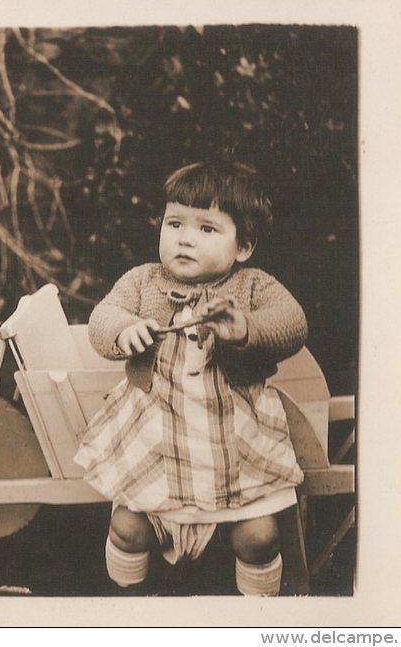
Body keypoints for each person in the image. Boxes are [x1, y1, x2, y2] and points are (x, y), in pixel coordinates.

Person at [74, 161, 307, 596]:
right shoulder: (143, 280)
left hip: (234, 447)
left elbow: (292, 322)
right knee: (128, 528)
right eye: (175, 222)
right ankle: (127, 605)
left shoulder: (253, 286)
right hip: (156, 442)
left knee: (258, 537)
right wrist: (125, 331)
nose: (184, 237)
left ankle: (260, 617)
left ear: (244, 246)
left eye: (207, 229)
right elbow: (102, 317)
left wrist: (246, 330)